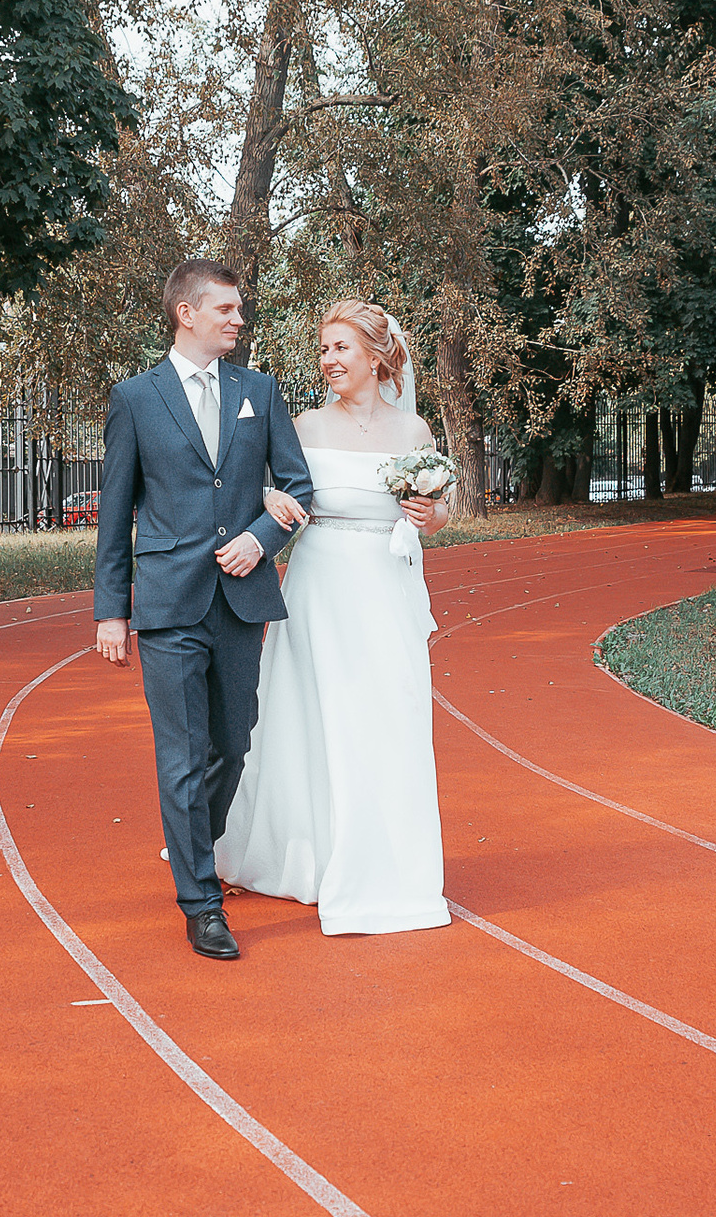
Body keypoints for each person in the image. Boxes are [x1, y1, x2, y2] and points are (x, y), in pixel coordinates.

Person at [92, 259, 316, 961]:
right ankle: (201, 902)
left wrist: (262, 537)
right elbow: (115, 511)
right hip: (169, 601)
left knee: (234, 743)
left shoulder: (262, 390)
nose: (237, 320)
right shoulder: (134, 398)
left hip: (241, 599)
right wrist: (110, 609)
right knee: (182, 757)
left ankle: (191, 842)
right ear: (186, 313)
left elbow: (298, 484)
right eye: (224, 309)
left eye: (239, 310)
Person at [215, 299, 452, 935]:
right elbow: (274, 492)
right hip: (320, 584)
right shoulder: (306, 425)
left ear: (377, 357)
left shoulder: (415, 432)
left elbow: (436, 509)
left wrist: (432, 516)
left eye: (341, 348)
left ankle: (387, 861)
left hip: (385, 587)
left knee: (386, 714)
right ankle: (309, 855)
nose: (328, 361)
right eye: (324, 349)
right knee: (314, 714)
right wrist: (269, 499)